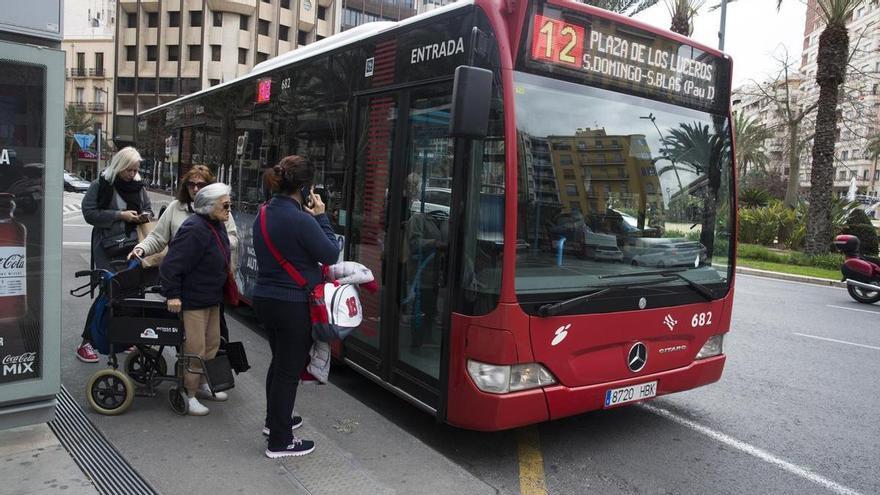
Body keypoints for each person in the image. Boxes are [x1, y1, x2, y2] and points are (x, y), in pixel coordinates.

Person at [253, 155, 339, 458]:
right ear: (304, 188)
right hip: (292, 304)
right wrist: (322, 217)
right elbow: (330, 253)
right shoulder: (302, 219)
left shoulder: (262, 213)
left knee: (279, 364)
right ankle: (280, 440)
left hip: (265, 299)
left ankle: (274, 422)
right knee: (288, 371)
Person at [129, 165, 239, 340]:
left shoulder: (220, 209)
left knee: (214, 341)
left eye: (201, 185)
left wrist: (212, 245)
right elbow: (158, 238)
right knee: (192, 344)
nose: (195, 189)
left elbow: (232, 238)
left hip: (212, 287)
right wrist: (141, 248)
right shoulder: (176, 208)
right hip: (189, 288)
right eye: (191, 184)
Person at [160, 183, 233, 416]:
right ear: (209, 206)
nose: (229, 208)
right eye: (225, 204)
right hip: (193, 299)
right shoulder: (194, 229)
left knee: (212, 344)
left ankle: (202, 384)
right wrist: (173, 294)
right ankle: (189, 394)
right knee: (195, 349)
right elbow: (172, 264)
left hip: (211, 297)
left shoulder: (214, 224)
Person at [77, 146, 153, 363]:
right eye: (129, 170)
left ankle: (124, 339)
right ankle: (86, 343)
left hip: (133, 248)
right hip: (107, 249)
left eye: (135, 170)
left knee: (130, 294)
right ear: (119, 166)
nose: (132, 174)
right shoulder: (101, 184)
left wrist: (143, 217)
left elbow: (148, 210)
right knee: (108, 294)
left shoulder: (138, 187)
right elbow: (89, 213)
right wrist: (120, 215)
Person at [403, 173, 447, 349]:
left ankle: (427, 336)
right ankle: (416, 340)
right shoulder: (418, 219)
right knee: (419, 308)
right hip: (420, 273)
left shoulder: (443, 220)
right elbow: (414, 243)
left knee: (431, 308)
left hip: (435, 274)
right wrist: (435, 243)